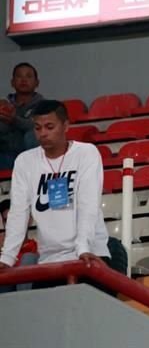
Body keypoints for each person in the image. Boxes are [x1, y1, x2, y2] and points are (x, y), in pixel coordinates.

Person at [0, 100, 110, 274]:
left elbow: (88, 204)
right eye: (37, 128)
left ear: (66, 126)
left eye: (49, 127)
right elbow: (18, 212)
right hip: (49, 259)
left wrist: (83, 248)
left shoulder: (86, 153)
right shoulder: (24, 161)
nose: (43, 133)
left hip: (89, 254)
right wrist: (7, 257)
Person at [0, 63, 44, 170]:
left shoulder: (44, 105)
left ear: (37, 83)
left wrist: (14, 120)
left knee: (32, 135)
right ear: (12, 82)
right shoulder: (4, 104)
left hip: (31, 157)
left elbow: (36, 125)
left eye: (28, 76)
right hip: (5, 155)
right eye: (19, 76)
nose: (24, 80)